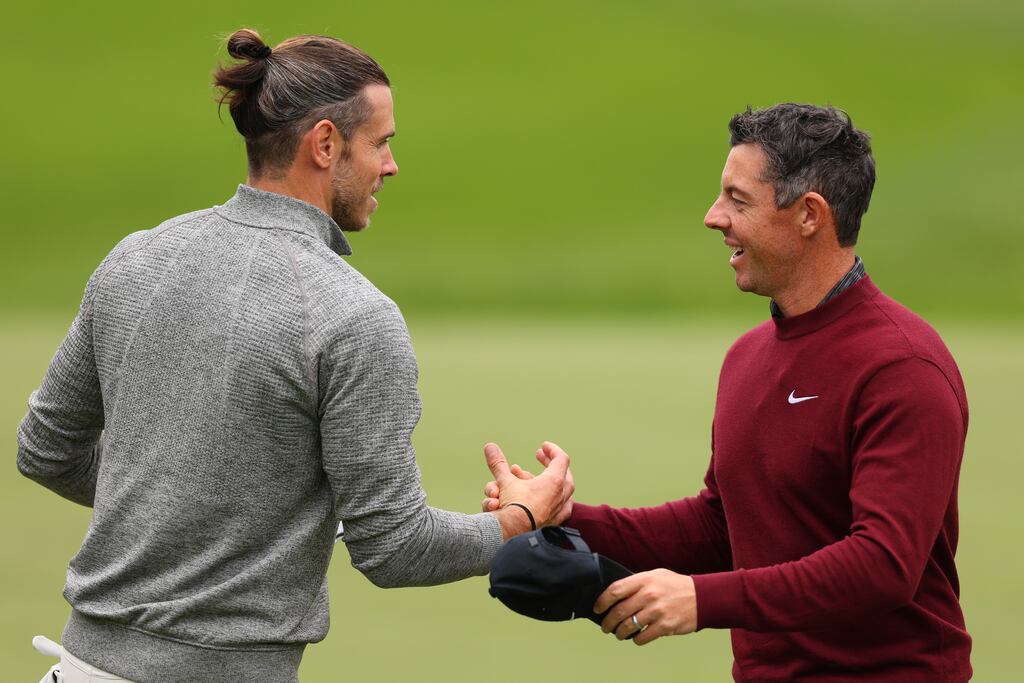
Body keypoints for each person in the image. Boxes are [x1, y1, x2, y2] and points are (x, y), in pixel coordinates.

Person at [17, 29, 571, 683]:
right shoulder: (354, 316)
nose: (391, 165)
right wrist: (521, 518)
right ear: (326, 144)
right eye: (382, 142)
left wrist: (203, 501)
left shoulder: (136, 257)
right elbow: (394, 547)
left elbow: (46, 450)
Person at [485, 103, 972, 681]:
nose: (714, 217)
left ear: (809, 215)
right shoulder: (749, 356)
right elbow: (722, 526)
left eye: (738, 201)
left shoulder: (900, 366)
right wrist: (560, 517)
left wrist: (701, 600)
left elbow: (883, 565)